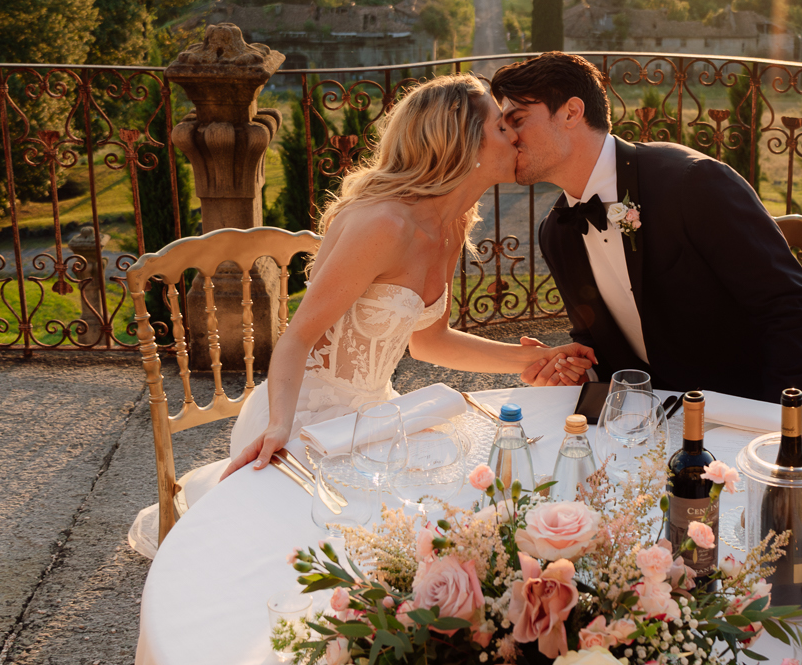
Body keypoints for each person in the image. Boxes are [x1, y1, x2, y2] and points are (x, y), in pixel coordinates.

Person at [216, 72, 596, 478]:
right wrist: (279, 427)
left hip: (377, 416)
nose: (516, 137)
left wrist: (536, 357)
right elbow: (297, 338)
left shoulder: (452, 225)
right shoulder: (385, 224)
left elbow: (430, 342)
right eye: (502, 126)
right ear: (464, 144)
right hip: (308, 421)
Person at [491, 52, 802, 430]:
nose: (507, 136)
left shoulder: (693, 183)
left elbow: (790, 312)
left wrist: (778, 431)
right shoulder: (556, 232)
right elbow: (596, 341)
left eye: (517, 119)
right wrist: (578, 374)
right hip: (667, 425)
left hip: (770, 413)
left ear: (572, 113)